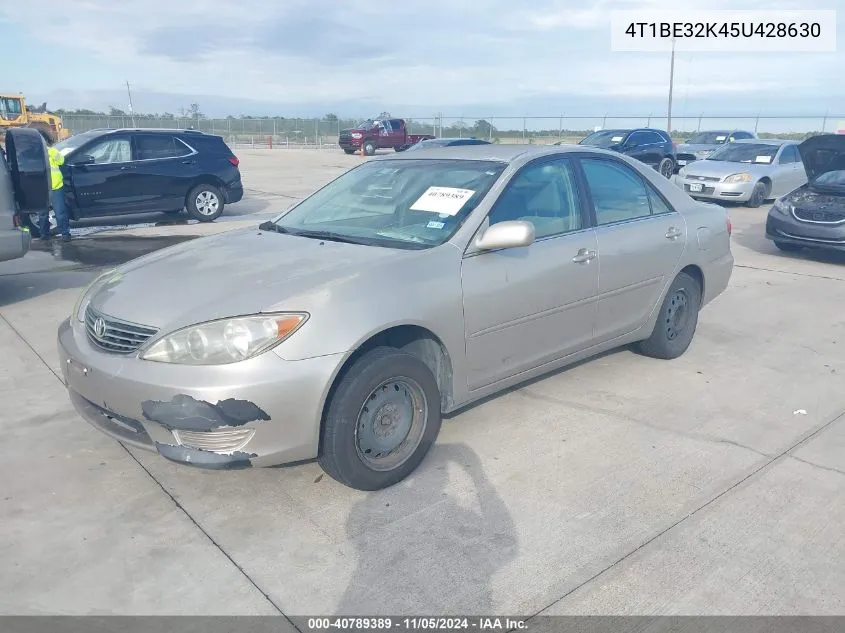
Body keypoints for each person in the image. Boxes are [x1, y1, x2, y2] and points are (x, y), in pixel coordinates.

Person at [39, 131, 71, 242]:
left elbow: (61, 160)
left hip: (54, 186)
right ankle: (46, 234)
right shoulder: (38, 152)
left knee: (57, 213)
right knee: (46, 213)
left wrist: (51, 152)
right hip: (45, 187)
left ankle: (64, 234)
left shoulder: (51, 151)